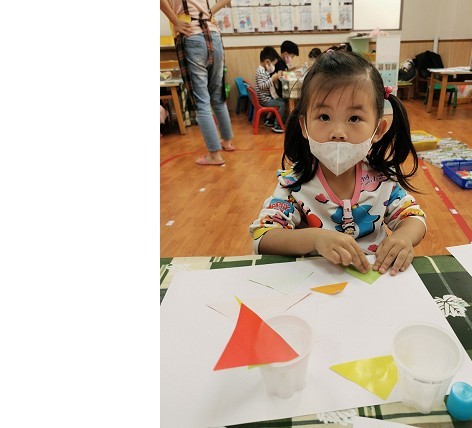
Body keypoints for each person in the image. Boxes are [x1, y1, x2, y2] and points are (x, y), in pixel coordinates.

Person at [249, 50, 426, 276]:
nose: (338, 132)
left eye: (354, 118)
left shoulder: (383, 180)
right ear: (304, 126)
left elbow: (413, 216)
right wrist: (315, 239)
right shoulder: (293, 184)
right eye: (324, 117)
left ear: (378, 129)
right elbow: (263, 236)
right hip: (317, 283)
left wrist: (404, 237)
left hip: (375, 280)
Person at [160, 0, 236, 166]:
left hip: (191, 35)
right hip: (213, 34)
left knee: (201, 101)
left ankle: (214, 155)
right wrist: (210, 12)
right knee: (218, 96)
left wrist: (175, 21)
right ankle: (227, 141)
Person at [255, 47, 288, 134]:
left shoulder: (264, 71)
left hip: (267, 97)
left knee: (283, 100)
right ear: (267, 62)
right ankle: (277, 125)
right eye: (273, 64)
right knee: (282, 104)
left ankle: (277, 120)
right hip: (265, 100)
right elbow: (262, 86)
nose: (273, 67)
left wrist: (274, 78)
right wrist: (272, 79)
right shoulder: (260, 72)